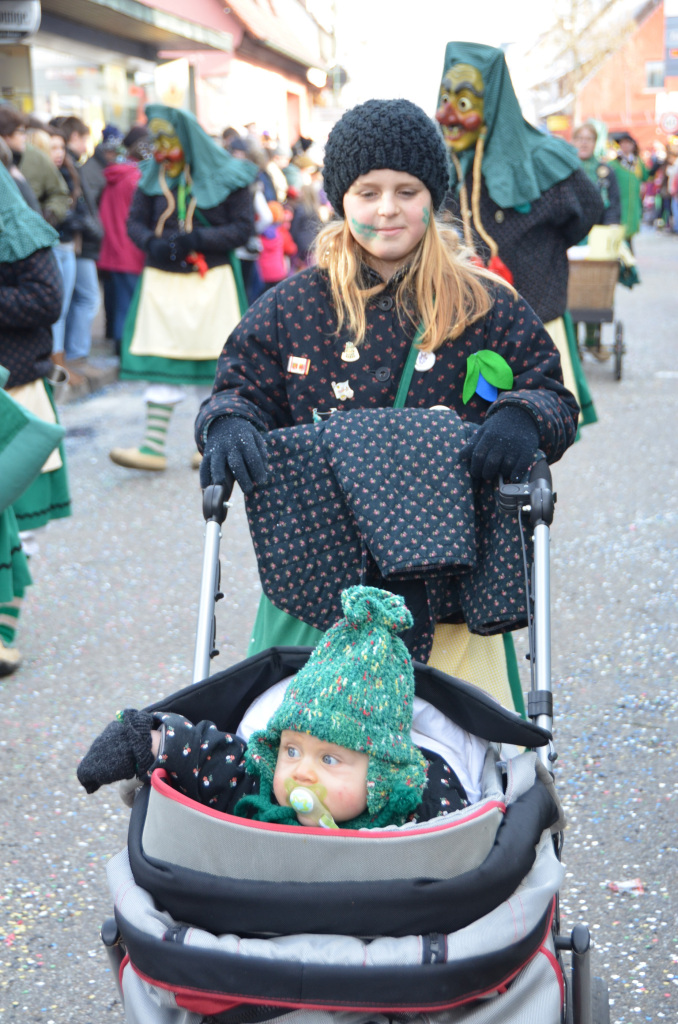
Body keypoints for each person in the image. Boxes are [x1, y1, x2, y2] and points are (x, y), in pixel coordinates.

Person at [195, 98, 579, 710]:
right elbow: (240, 383)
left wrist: (522, 414)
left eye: (407, 190)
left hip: (454, 572)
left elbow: (552, 394)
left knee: (463, 751)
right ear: (340, 200)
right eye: (368, 191)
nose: (387, 209)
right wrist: (229, 421)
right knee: (296, 744)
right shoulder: (296, 305)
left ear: (434, 197)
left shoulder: (485, 302)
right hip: (320, 569)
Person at [77, 586, 477, 827]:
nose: (301, 771)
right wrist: (139, 740)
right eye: (291, 750)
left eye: (331, 760)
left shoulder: (407, 811)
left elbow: (463, 824)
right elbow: (202, 753)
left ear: (380, 776)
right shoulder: (261, 786)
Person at [435, 42, 604, 429]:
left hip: (537, 323)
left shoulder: (545, 160)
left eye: (463, 102)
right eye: (445, 98)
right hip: (462, 330)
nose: (447, 114)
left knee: (538, 444)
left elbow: (587, 210)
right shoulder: (440, 166)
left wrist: (538, 252)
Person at [108, 105, 258, 472]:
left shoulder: (230, 176)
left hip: (212, 283)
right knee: (161, 360)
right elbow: (135, 223)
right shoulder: (151, 177)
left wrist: (197, 239)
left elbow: (242, 229)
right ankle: (152, 447)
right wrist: (153, 243)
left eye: (167, 140)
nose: (160, 151)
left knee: (213, 364)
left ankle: (207, 444)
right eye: (155, 141)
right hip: (163, 282)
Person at [0, 162, 69, 671]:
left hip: (16, 390)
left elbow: (47, 300)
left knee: (16, 529)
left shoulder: (23, 233)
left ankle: (2, 632)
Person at [48, 116, 103, 382]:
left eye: (60, 146)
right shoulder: (55, 168)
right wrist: (87, 225)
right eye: (52, 147)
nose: (58, 153)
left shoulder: (72, 165)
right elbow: (61, 208)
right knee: (64, 303)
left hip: (73, 243)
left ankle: (74, 357)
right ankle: (62, 361)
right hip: (62, 241)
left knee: (81, 298)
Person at [572, 122, 622, 362]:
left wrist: (611, 227)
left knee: (595, 289)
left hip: (597, 238)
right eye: (579, 138)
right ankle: (573, 347)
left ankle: (593, 341)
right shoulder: (567, 169)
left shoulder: (605, 171)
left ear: (595, 142)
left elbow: (613, 204)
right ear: (574, 141)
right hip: (571, 238)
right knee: (571, 291)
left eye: (588, 139)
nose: (584, 142)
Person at [96, 127, 147, 352]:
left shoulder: (114, 174)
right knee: (127, 306)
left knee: (116, 304)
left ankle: (116, 346)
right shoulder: (136, 179)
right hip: (130, 250)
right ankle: (124, 351)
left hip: (110, 248)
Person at [608, 132, 649, 251]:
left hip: (633, 205)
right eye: (623, 143)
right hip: (619, 205)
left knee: (630, 235)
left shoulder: (638, 163)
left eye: (628, 143)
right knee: (621, 236)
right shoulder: (613, 164)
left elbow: (645, 177)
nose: (625, 146)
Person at [257, 199, 297, 292]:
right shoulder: (280, 232)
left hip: (263, 275)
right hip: (279, 273)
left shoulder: (259, 233)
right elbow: (291, 249)